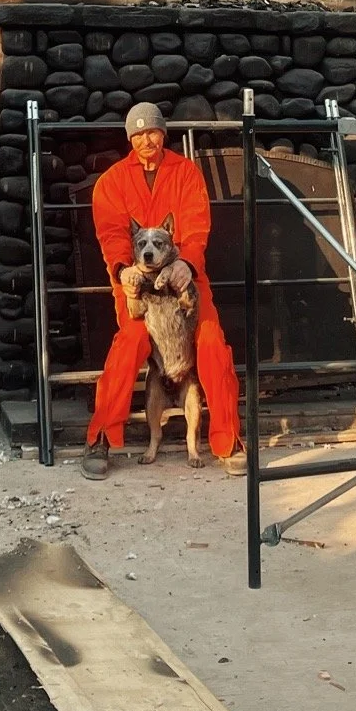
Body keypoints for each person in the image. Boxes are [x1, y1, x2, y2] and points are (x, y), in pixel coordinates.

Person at [82, 102, 240, 479]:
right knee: (129, 343)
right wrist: (123, 271)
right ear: (129, 139)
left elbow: (196, 226)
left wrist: (186, 263)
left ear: (163, 134)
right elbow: (112, 236)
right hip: (140, 289)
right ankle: (100, 437)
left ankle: (228, 439)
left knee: (212, 341)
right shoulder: (112, 182)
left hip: (186, 280)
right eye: (136, 135)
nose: (145, 140)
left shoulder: (186, 173)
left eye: (151, 132)